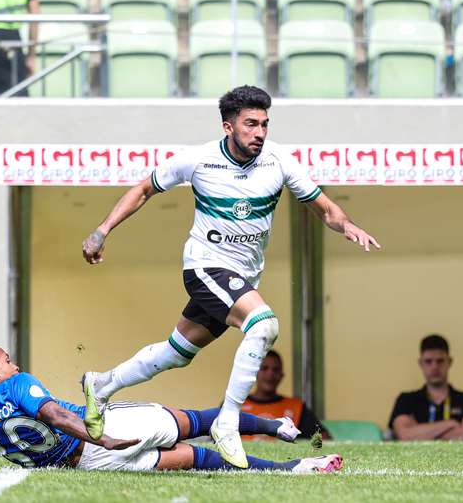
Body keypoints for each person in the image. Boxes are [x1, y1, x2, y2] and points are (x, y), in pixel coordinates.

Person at [81, 85, 380, 468]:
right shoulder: (198, 160)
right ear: (228, 126)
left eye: (265, 124)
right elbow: (143, 189)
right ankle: (228, 421)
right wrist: (103, 230)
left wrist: (349, 226)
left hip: (242, 277)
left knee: (176, 353)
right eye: (251, 123)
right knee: (263, 325)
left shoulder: (280, 162)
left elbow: (324, 208)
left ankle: (102, 383)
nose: (260, 132)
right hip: (205, 268)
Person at [0, 342, 343, 474]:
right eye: (6, 359)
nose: (16, 363)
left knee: (193, 459)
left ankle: (295, 468)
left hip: (86, 465)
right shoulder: (18, 385)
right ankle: (275, 426)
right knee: (199, 424)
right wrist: (101, 433)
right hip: (102, 429)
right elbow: (56, 416)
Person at [388, 334, 463, 441]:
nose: (434, 367)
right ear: (420, 363)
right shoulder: (405, 399)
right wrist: (451, 423)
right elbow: (404, 435)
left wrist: (420, 432)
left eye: (440, 361)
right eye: (428, 361)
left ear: (449, 362)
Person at [242, 350, 330, 440]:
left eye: (275, 369)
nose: (270, 373)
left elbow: (324, 438)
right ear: (254, 372)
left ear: (281, 375)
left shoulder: (297, 407)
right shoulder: (237, 405)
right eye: (264, 368)